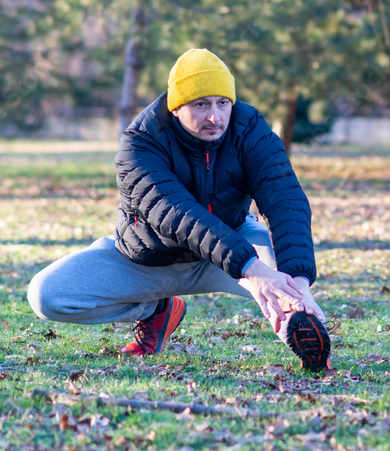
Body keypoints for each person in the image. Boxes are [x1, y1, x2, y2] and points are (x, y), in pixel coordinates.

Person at [27, 48, 331, 371]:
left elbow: (284, 197)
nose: (215, 117)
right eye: (201, 105)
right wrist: (252, 270)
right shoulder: (139, 143)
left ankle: (310, 346)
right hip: (149, 261)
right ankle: (157, 310)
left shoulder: (249, 128)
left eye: (223, 103)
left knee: (284, 283)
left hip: (232, 245)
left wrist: (297, 280)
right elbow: (179, 217)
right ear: (176, 107)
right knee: (45, 294)